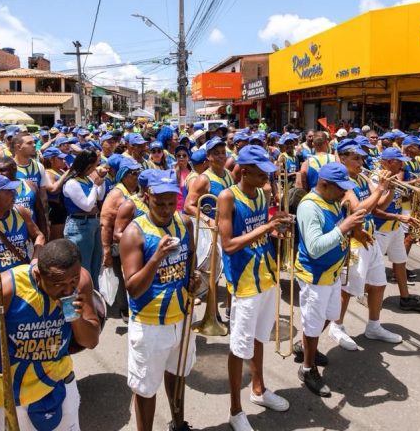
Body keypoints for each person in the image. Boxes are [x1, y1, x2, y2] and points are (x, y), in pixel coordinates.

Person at [0, 239, 100, 431]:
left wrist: (76, 318)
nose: (68, 290)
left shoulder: (81, 281)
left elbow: (91, 341)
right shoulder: (5, 287)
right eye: (59, 284)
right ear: (37, 274)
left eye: (73, 281)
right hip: (11, 395)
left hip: (60, 386)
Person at [217, 145, 293, 431]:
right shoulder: (228, 197)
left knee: (259, 338)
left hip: (267, 276)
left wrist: (278, 229)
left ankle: (258, 390)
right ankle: (235, 411)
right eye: (262, 173)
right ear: (245, 171)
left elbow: (262, 231)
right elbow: (228, 244)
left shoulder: (262, 194)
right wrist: (266, 227)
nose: (267, 178)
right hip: (244, 282)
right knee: (238, 348)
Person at [119, 171, 200, 431]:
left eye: (170, 203)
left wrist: (193, 279)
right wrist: (156, 258)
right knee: (145, 388)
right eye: (159, 203)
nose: (166, 210)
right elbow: (133, 287)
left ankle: (178, 423)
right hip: (150, 322)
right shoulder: (135, 233)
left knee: (178, 376)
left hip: (183, 315)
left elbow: (190, 261)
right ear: (147, 197)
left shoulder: (184, 223)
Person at [294, 163, 366, 396]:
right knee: (314, 324)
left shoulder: (333, 200)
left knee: (329, 316)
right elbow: (315, 248)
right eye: (340, 188)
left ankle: (305, 347)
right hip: (315, 276)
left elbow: (339, 228)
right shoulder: (308, 207)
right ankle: (307, 368)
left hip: (332, 273)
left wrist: (355, 231)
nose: (344, 192)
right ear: (324, 184)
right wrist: (345, 226)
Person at [330, 140, 396, 349]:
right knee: (348, 289)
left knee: (379, 284)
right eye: (356, 158)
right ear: (342, 159)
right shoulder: (343, 183)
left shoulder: (362, 177)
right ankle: (336, 326)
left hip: (370, 236)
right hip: (353, 241)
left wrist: (390, 191)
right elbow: (359, 210)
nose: (361, 161)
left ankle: (373, 326)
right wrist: (380, 189)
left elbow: (377, 207)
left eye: (362, 157)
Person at [371, 147, 420, 312]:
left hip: (396, 227)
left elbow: (402, 197)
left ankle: (405, 298)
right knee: (372, 266)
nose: (403, 167)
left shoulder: (396, 175)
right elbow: (376, 208)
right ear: (389, 162)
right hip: (380, 228)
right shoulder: (376, 177)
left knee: (400, 261)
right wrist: (390, 189)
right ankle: (364, 295)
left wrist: (409, 215)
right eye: (400, 163)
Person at [100, 158, 143, 322]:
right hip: (119, 244)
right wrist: (106, 251)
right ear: (124, 175)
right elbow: (105, 224)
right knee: (125, 276)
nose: (137, 175)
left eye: (138, 171)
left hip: (134, 243)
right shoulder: (117, 194)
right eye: (134, 173)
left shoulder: (135, 190)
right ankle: (126, 311)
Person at [62, 149, 107, 291]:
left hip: (92, 223)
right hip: (80, 226)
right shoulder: (72, 183)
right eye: (93, 166)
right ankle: (83, 298)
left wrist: (101, 180)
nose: (95, 169)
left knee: (95, 264)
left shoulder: (87, 179)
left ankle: (94, 297)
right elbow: (87, 206)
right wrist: (95, 185)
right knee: (83, 267)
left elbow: (99, 197)